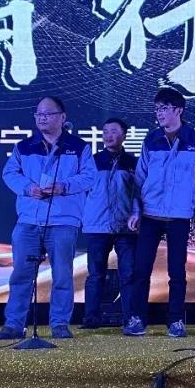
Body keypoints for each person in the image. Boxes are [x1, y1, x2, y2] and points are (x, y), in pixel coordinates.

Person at [0, 96, 96, 340]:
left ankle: (59, 323)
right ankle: (14, 324)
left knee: (62, 275)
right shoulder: (24, 146)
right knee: (21, 274)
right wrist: (27, 188)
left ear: (62, 117)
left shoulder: (78, 146)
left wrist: (64, 186)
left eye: (48, 114)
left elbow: (89, 177)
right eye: (38, 114)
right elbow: (10, 173)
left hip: (63, 221)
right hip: (29, 220)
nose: (42, 118)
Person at [123, 88, 195, 338]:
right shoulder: (151, 140)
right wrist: (136, 210)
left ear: (178, 110)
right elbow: (139, 179)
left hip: (180, 216)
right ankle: (137, 319)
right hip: (150, 214)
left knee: (177, 271)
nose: (159, 114)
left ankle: (175, 321)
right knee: (141, 270)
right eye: (157, 109)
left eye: (164, 108)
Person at [80, 118, 138, 329]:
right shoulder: (92, 162)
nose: (108, 135)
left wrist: (136, 214)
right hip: (97, 226)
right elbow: (82, 191)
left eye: (113, 131)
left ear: (124, 135)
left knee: (128, 275)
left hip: (126, 227)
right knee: (95, 275)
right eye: (105, 132)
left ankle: (130, 318)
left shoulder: (133, 162)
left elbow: (139, 193)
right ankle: (91, 318)